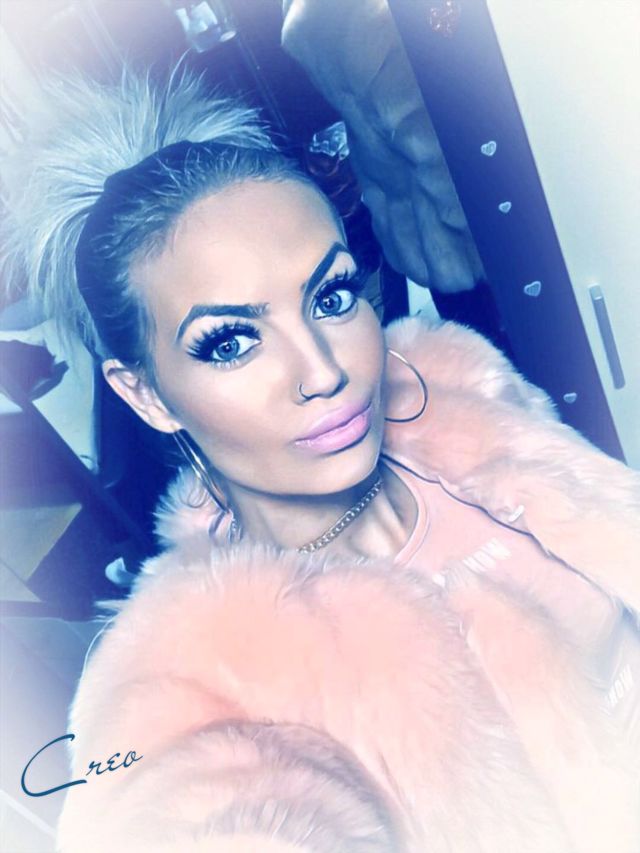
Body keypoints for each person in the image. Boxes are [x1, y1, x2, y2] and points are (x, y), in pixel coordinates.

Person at [2, 69, 639, 853]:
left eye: (331, 298)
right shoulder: (185, 679)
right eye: (230, 342)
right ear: (147, 395)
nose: (323, 370)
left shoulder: (459, 389)